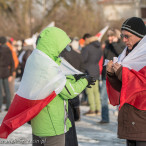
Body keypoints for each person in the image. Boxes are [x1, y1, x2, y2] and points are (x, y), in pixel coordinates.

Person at [31, 27, 96, 146]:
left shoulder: (36, 61)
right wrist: (85, 81)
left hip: (39, 121)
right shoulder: (49, 66)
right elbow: (69, 91)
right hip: (52, 123)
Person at [106, 17, 146, 145]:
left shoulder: (143, 55)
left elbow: (142, 85)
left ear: (139, 35)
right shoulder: (127, 54)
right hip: (130, 116)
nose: (124, 40)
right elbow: (123, 87)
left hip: (142, 117)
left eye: (127, 36)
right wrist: (112, 74)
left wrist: (121, 72)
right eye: (122, 36)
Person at [99, 28, 125, 124]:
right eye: (108, 36)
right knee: (103, 97)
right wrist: (102, 74)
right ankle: (105, 118)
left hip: (117, 75)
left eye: (111, 36)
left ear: (116, 36)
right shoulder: (107, 45)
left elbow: (121, 54)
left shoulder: (122, 45)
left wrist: (114, 44)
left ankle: (121, 118)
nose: (109, 38)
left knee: (120, 98)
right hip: (106, 75)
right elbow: (105, 57)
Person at [81, 34, 102, 116]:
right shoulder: (99, 47)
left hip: (88, 70)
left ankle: (92, 110)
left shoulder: (87, 48)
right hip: (96, 69)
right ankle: (98, 109)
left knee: (89, 91)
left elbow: (83, 59)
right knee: (96, 91)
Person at [0, 36, 14, 112]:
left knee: (0, 91)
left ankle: (0, 107)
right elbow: (12, 62)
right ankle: (8, 106)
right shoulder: (9, 49)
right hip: (6, 71)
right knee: (7, 90)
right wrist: (11, 74)